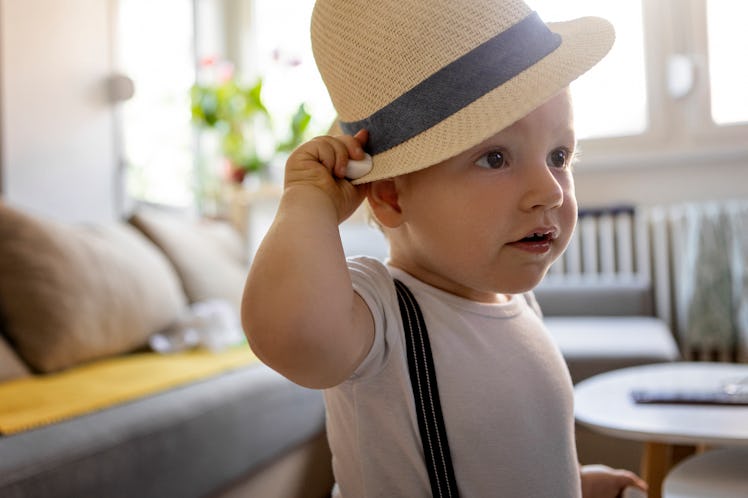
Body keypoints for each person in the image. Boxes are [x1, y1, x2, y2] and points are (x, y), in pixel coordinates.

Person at [242, 0, 649, 496]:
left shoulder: (519, 302)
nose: (550, 191)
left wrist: (573, 483)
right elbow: (292, 334)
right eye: (495, 158)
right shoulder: (380, 317)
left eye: (559, 155)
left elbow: (507, 460)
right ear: (391, 194)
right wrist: (308, 201)